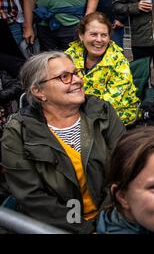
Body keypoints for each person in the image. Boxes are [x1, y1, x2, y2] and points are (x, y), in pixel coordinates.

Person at [1, 51, 125, 233]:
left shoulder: (102, 112)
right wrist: (84, 228)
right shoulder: (18, 133)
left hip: (113, 217)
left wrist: (104, 220)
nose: (77, 80)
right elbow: (33, 198)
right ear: (39, 91)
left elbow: (125, 167)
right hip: (58, 226)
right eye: (64, 76)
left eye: (76, 73)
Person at [65, 12, 140, 126]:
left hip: (113, 117)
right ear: (81, 35)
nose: (99, 40)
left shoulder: (118, 61)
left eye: (104, 35)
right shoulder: (70, 56)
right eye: (93, 34)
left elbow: (111, 103)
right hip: (75, 113)